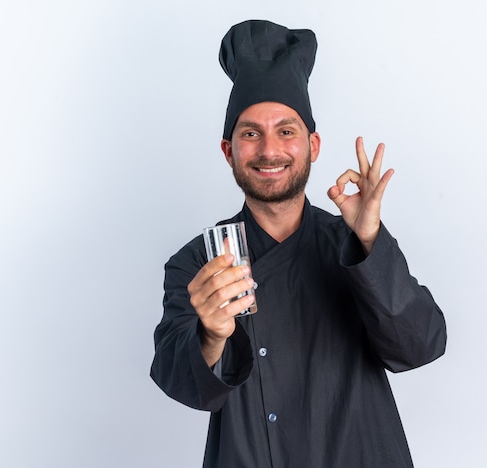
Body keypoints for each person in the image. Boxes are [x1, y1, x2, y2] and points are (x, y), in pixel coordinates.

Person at [151, 19, 447, 468]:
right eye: (251, 134)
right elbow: (179, 381)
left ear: (313, 145)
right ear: (229, 150)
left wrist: (370, 240)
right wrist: (210, 333)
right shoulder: (198, 261)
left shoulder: (352, 243)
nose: (270, 150)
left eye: (286, 131)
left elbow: (421, 345)